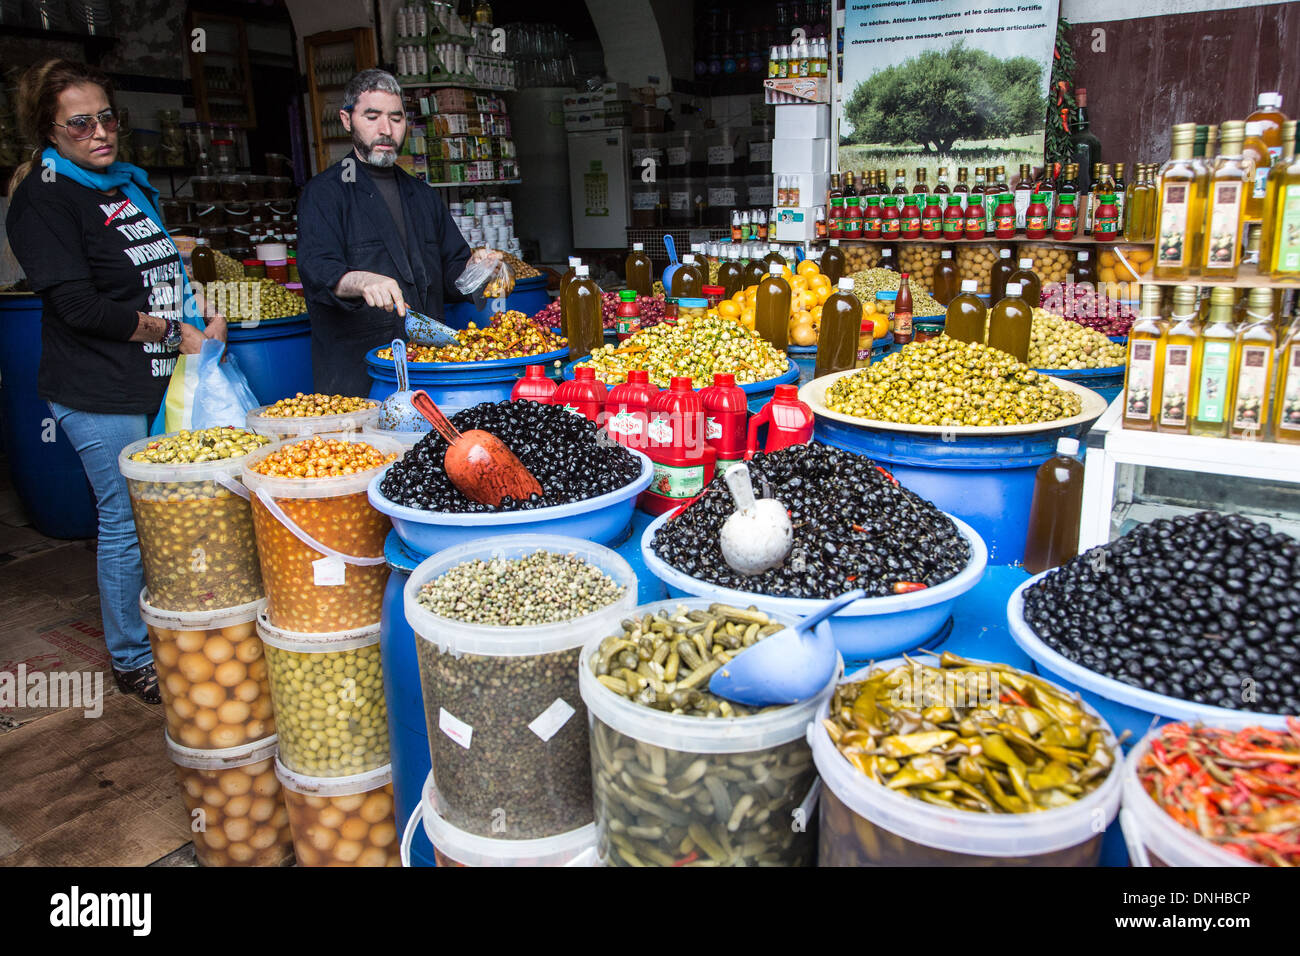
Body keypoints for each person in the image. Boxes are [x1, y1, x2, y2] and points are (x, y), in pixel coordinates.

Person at [5, 59, 225, 703]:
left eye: (107, 117)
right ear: (48, 129)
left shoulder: (126, 185)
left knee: (179, 511)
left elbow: (154, 269)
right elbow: (79, 307)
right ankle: (133, 657)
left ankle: (183, 627)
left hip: (160, 378)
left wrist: (204, 313)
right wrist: (168, 332)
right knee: (126, 520)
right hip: (97, 390)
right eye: (80, 123)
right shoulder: (44, 199)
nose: (100, 132)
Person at [298, 68, 499, 395]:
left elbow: (452, 272)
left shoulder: (422, 195)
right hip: (361, 377)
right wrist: (362, 280)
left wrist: (478, 269)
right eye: (372, 116)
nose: (385, 130)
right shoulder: (325, 193)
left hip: (427, 369)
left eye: (396, 118)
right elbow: (317, 269)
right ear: (347, 120)